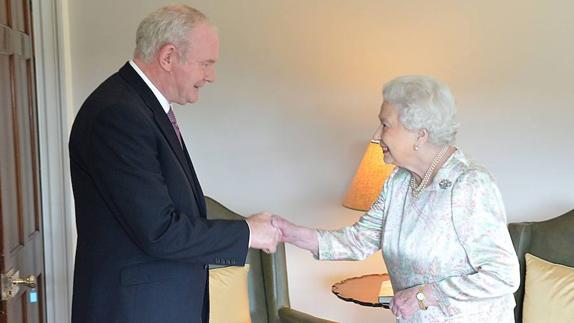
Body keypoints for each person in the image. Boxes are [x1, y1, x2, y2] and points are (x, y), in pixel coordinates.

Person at [69, 5, 280, 323]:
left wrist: (246, 228)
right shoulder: (119, 115)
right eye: (205, 64)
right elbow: (160, 231)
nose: (211, 76)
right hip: (135, 312)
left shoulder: (138, 105)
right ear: (168, 57)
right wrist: (247, 233)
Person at [272, 75, 520, 322]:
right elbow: (359, 240)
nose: (377, 136)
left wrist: (424, 295)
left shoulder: (469, 184)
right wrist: (291, 233)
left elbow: (503, 275)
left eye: (385, 125)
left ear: (420, 135)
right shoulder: (398, 181)